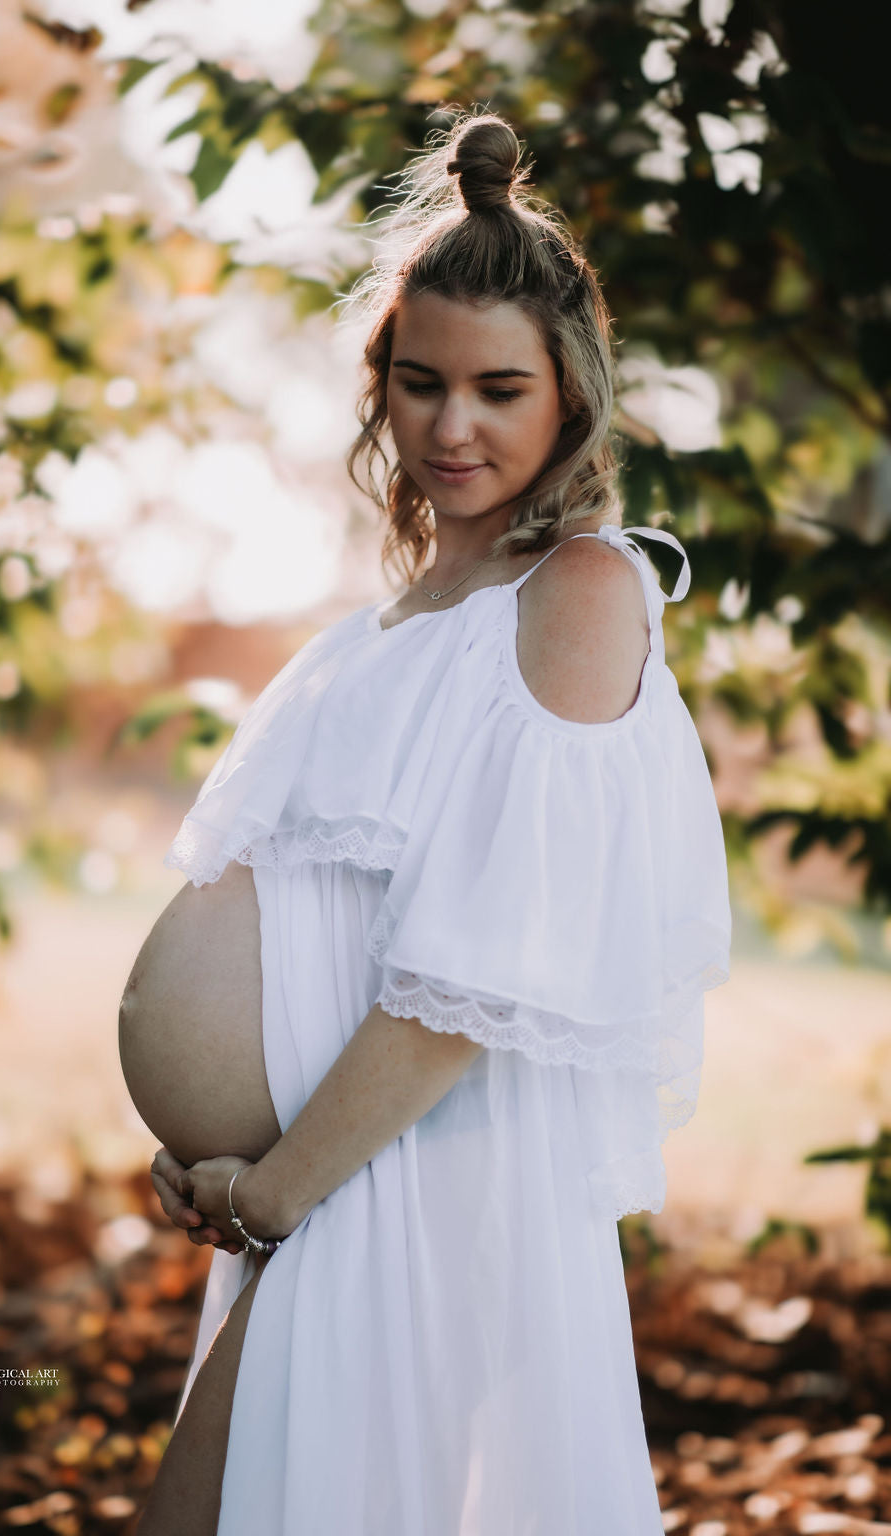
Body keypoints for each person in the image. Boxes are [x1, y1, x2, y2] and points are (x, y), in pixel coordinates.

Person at [139, 108, 731, 1535]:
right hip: (314, 1179)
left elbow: (484, 971)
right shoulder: (398, 614)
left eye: (497, 390)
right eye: (419, 383)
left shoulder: (580, 593)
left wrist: (275, 1186)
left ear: (570, 399)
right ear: (379, 385)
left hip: (405, 1177)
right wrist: (209, 1142)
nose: (449, 426)